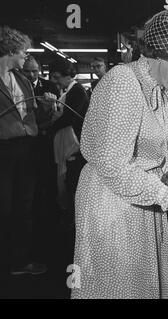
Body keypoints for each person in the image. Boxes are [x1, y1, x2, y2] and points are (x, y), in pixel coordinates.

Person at [71, 0, 168, 299]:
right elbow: (113, 166)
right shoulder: (124, 82)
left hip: (143, 199)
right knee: (120, 288)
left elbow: (165, 147)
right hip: (113, 206)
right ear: (163, 53)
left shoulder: (164, 90)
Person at [0, 26, 50, 276]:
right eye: (22, 52)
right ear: (10, 50)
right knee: (5, 206)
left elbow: (33, 116)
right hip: (4, 149)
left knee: (25, 206)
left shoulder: (21, 78)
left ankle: (21, 261)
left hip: (27, 147)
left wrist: (47, 107)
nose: (25, 57)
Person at [22, 55, 61, 263]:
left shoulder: (49, 87)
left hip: (46, 141)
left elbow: (57, 115)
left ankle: (50, 218)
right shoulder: (17, 88)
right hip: (25, 143)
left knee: (48, 179)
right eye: (27, 71)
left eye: (34, 71)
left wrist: (50, 111)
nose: (31, 75)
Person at [50, 59, 90, 220]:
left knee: (73, 180)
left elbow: (68, 118)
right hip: (70, 140)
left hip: (75, 142)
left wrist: (48, 126)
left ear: (68, 76)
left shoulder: (77, 91)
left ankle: (75, 217)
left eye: (57, 77)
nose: (55, 81)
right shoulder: (69, 90)